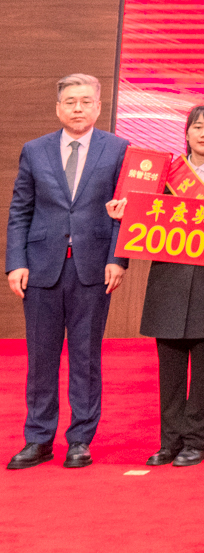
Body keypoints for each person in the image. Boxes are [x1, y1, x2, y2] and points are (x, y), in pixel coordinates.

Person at [104, 104, 204, 468]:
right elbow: (139, 219)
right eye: (197, 127)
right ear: (186, 133)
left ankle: (197, 441)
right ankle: (170, 441)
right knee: (169, 373)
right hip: (168, 282)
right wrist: (123, 215)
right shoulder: (165, 175)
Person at [6, 74, 130, 470]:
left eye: (85, 101)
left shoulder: (118, 149)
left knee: (85, 357)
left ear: (98, 107)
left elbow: (126, 211)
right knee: (41, 358)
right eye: (70, 102)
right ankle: (38, 438)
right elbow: (20, 210)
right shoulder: (34, 150)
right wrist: (15, 262)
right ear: (58, 108)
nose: (78, 108)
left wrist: (118, 258)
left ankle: (80, 440)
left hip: (92, 268)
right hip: (41, 268)